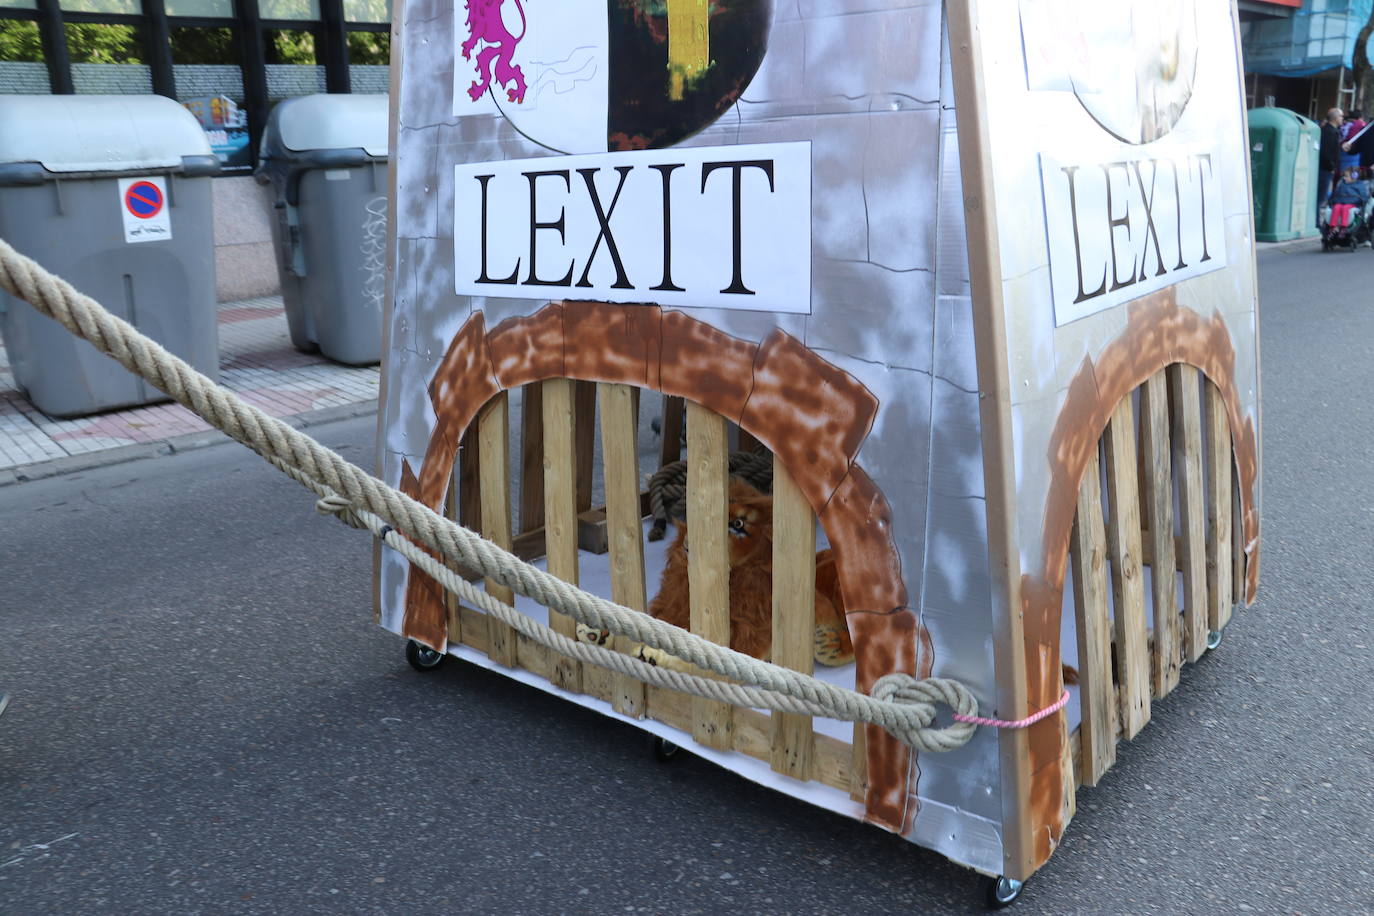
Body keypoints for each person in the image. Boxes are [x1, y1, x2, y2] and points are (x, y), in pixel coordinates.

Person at [1320, 107, 1345, 219]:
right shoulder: (1329, 132)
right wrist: (1332, 167)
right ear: (1335, 118)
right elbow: (1326, 152)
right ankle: (1316, 222)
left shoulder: (1332, 131)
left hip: (1327, 168)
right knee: (1320, 196)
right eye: (1341, 116)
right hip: (1325, 169)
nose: (1343, 118)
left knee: (1322, 195)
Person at [1342, 108, 1367, 173]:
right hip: (1357, 154)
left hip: (1347, 152)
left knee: (1345, 173)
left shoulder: (1349, 125)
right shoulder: (1363, 124)